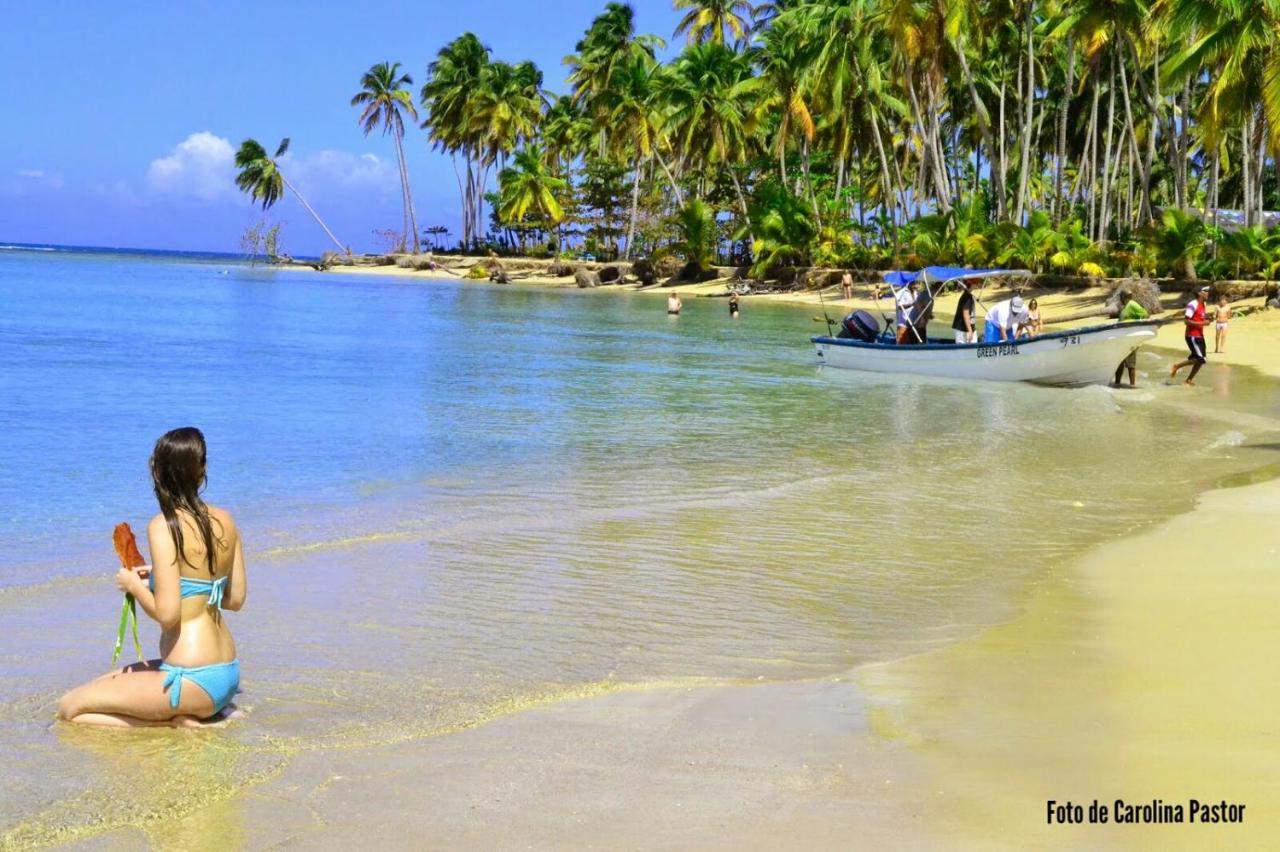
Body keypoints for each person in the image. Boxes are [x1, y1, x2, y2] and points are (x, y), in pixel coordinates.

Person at [58, 428, 246, 726]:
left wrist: (133, 584)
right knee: (101, 682)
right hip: (226, 673)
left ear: (157, 472)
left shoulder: (163, 526)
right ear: (202, 469)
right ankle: (209, 711)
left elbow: (168, 615)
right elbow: (234, 599)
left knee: (69, 708)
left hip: (189, 678)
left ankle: (174, 722)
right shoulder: (226, 520)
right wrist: (160, 580)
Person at [1169, 285, 1211, 385]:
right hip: (1192, 335)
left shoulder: (1204, 304)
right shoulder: (1193, 304)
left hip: (1199, 335)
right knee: (1200, 358)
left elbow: (1200, 317)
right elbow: (1187, 321)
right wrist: (1203, 323)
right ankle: (1177, 366)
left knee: (1201, 360)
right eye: (1205, 291)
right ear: (1200, 293)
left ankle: (1189, 380)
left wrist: (1208, 319)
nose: (1208, 293)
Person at [1112, 289, 1150, 387]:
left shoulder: (1132, 304)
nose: (1120, 299)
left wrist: (1133, 325)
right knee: (1119, 363)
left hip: (1129, 340)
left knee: (1130, 364)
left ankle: (1132, 386)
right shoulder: (1126, 306)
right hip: (1123, 340)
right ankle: (1117, 383)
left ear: (1124, 297)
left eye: (1120, 297)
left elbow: (1145, 314)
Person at [951, 278, 977, 344]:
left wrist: (971, 330)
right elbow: (966, 314)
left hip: (969, 328)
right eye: (975, 282)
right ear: (971, 284)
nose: (977, 284)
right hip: (961, 329)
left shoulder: (969, 296)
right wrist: (970, 330)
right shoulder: (967, 297)